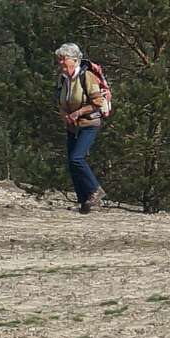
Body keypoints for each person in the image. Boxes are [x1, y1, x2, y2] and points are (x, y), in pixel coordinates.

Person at [52, 42, 114, 213]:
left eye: (63, 59)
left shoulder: (86, 76)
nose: (61, 63)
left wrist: (78, 113)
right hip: (73, 126)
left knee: (76, 158)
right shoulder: (63, 79)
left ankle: (95, 190)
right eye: (59, 59)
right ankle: (84, 202)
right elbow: (60, 102)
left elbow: (97, 102)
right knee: (72, 163)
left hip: (89, 123)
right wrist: (65, 114)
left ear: (74, 60)